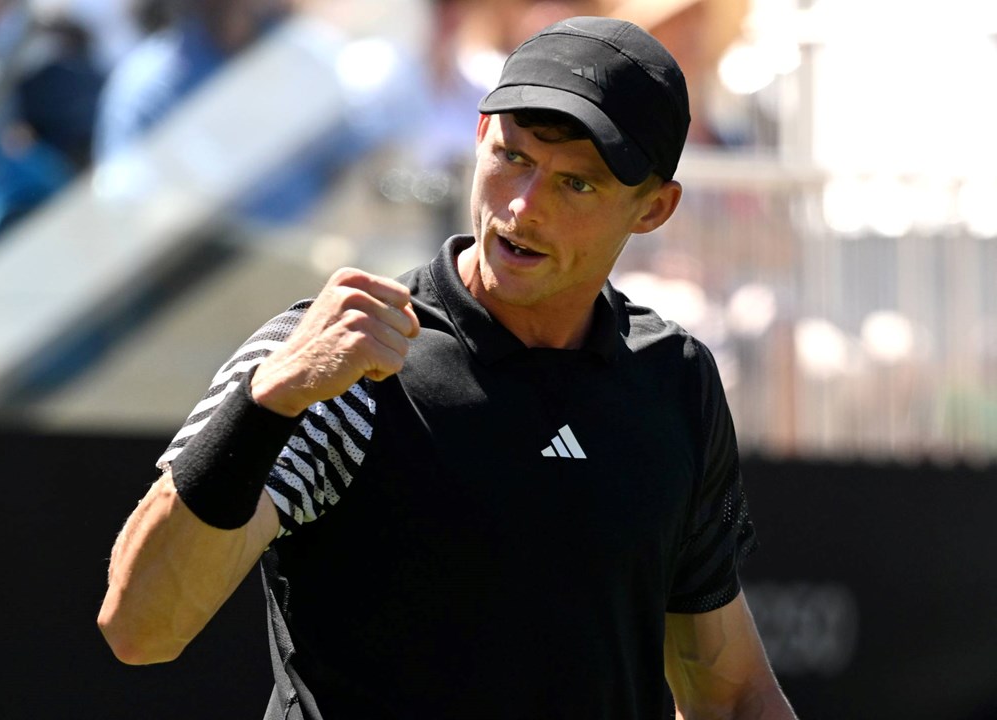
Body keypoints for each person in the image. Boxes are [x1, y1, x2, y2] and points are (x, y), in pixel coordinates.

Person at [98, 16, 798, 720]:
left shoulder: (675, 379)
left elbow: (730, 695)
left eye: (576, 185)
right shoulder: (331, 358)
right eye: (513, 158)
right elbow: (140, 629)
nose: (522, 209)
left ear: (654, 209)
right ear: (477, 136)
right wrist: (266, 400)